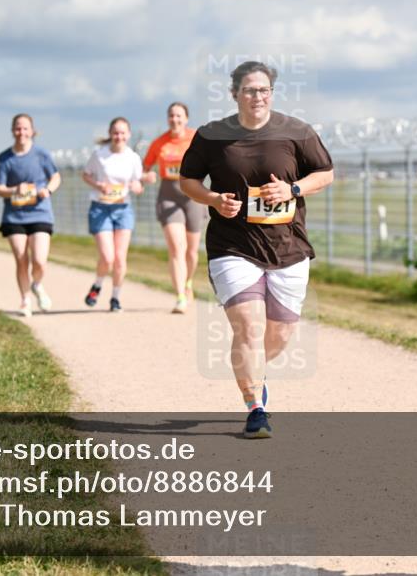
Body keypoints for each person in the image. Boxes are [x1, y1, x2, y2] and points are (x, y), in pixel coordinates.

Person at [180, 61, 333, 439]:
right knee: (248, 326)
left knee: (279, 334)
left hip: (288, 246)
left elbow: (325, 173)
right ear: (234, 94)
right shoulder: (212, 136)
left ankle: (253, 371)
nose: (257, 96)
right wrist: (214, 199)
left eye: (264, 90)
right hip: (232, 244)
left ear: (272, 93)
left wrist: (292, 190)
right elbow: (187, 181)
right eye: (249, 90)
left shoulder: (296, 131)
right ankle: (256, 408)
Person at [0, 113, 62, 318]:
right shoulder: (5, 158)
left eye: (25, 128)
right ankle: (25, 300)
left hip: (40, 212)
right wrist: (15, 190)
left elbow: (56, 177)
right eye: (17, 128)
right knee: (21, 258)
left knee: (40, 260)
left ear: (32, 131)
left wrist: (47, 190)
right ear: (12, 130)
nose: (21, 132)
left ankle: (37, 284)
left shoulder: (41, 155)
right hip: (15, 216)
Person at [141, 102, 205, 313]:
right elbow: (144, 169)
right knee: (177, 248)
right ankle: (179, 297)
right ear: (167, 118)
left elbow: (212, 161)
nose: (175, 119)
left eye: (179, 116)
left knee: (192, 251)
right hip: (168, 196)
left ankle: (187, 283)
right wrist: (145, 177)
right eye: (171, 116)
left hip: (194, 196)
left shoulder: (196, 138)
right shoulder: (159, 143)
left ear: (186, 118)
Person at [82, 117, 144, 312]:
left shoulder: (133, 157)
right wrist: (98, 185)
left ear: (129, 135)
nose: (119, 136)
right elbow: (86, 174)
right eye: (116, 133)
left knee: (119, 258)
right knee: (107, 257)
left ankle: (115, 298)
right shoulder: (99, 155)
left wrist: (137, 187)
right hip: (101, 208)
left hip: (123, 209)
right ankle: (98, 284)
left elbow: (138, 184)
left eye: (123, 133)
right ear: (110, 134)